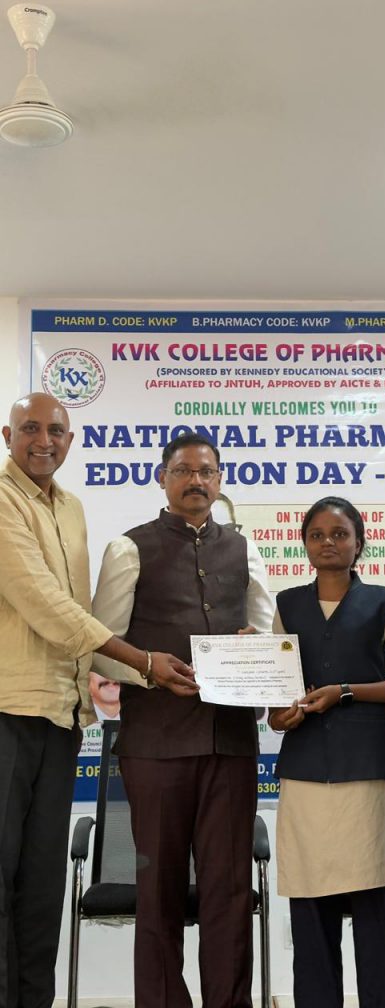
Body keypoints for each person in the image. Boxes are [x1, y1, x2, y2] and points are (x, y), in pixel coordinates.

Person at [0, 393, 195, 1008]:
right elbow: (46, 605)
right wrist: (143, 661)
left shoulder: (72, 508)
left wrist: (148, 671)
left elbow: (83, 617)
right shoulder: (2, 500)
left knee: (41, 887)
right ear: (7, 435)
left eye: (56, 431)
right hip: (7, 712)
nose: (44, 441)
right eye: (31, 429)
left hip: (61, 718)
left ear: (70, 439)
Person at [91, 432, 274, 1008]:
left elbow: (270, 637)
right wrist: (149, 670)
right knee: (159, 892)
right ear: (162, 478)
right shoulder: (129, 548)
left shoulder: (246, 550)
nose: (196, 481)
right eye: (183, 470)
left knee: (229, 893)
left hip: (230, 745)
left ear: (220, 480)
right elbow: (99, 648)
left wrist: (257, 649)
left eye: (206, 471)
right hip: (154, 746)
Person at [268, 496, 385, 1008]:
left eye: (340, 534)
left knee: (377, 909)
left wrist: (346, 692)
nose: (328, 543)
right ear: (304, 544)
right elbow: (276, 698)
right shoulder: (286, 605)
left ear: (360, 543)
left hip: (369, 777)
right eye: (317, 534)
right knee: (310, 915)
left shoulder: (384, 601)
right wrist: (280, 715)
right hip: (305, 778)